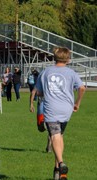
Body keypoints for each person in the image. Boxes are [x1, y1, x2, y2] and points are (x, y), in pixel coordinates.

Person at [35, 47, 85, 180]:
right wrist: (77, 103)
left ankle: (61, 163)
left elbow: (38, 92)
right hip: (67, 109)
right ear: (68, 59)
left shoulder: (46, 72)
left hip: (52, 108)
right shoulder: (71, 73)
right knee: (60, 136)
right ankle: (58, 173)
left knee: (55, 136)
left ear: (54, 57)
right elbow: (82, 88)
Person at [30, 87, 52, 153]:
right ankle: (44, 124)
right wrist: (31, 104)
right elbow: (33, 91)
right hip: (41, 103)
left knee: (51, 127)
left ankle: (49, 146)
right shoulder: (41, 78)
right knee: (41, 128)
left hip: (51, 105)